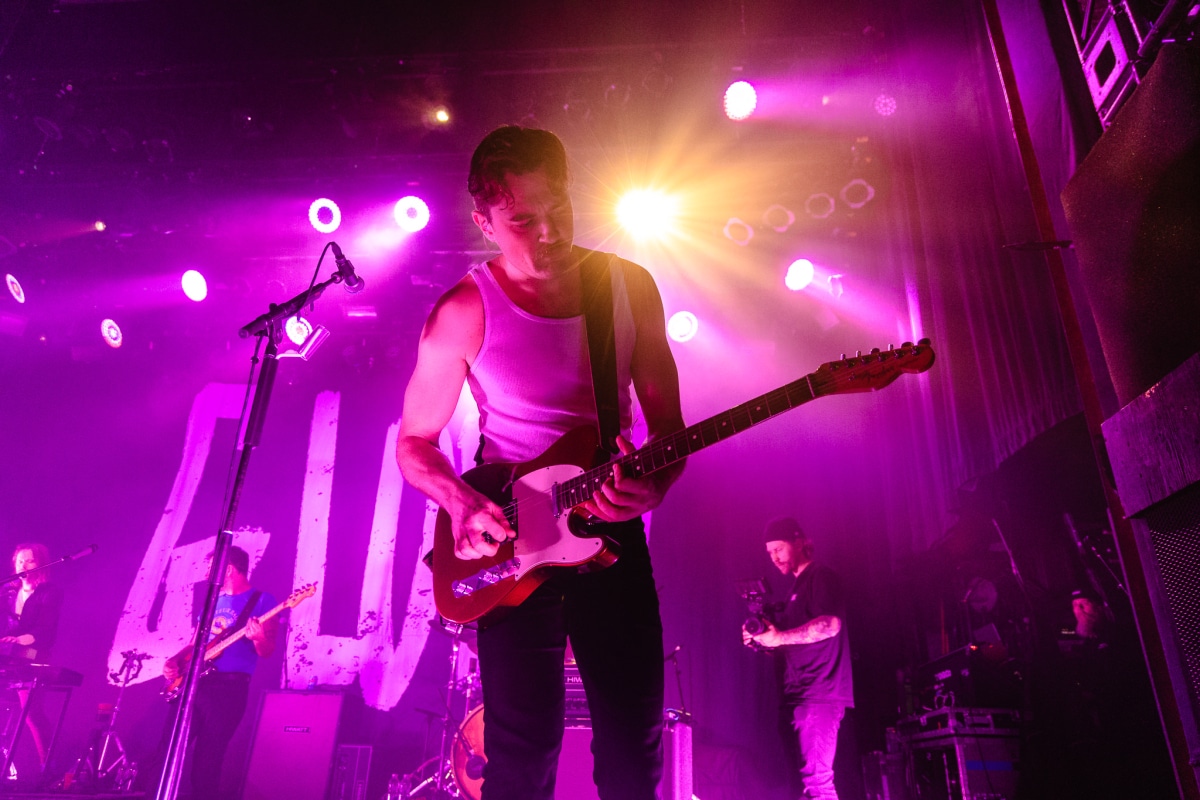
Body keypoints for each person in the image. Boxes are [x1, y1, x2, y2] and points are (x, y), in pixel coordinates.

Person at [395, 124, 685, 800]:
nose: (549, 231)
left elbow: (669, 429)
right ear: (485, 223)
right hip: (510, 540)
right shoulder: (463, 311)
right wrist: (461, 501)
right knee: (521, 752)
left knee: (635, 742)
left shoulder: (627, 286)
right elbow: (414, 442)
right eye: (524, 219)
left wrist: (655, 486)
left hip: (610, 531)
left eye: (559, 207)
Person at [743, 517, 853, 800]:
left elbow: (830, 625)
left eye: (779, 549)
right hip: (796, 697)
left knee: (817, 782)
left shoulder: (821, 577)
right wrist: (764, 642)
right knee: (800, 787)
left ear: (800, 542)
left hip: (818, 695)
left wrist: (779, 637)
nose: (774, 558)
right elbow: (793, 642)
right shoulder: (795, 589)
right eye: (770, 552)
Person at [157, 545, 277, 800]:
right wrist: (174, 661)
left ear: (229, 569)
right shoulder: (212, 603)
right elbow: (194, 644)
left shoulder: (262, 601)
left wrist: (258, 638)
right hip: (193, 684)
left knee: (208, 759)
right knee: (168, 751)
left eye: (211, 569)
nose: (206, 575)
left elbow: (267, 651)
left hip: (228, 690)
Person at [0, 542, 63, 768]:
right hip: (9, 652)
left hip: (34, 652)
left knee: (32, 714)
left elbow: (46, 629)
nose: (23, 565)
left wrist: (20, 640)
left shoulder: (49, 592)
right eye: (20, 561)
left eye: (29, 560)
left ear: (40, 563)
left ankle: (49, 766)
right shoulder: (8, 591)